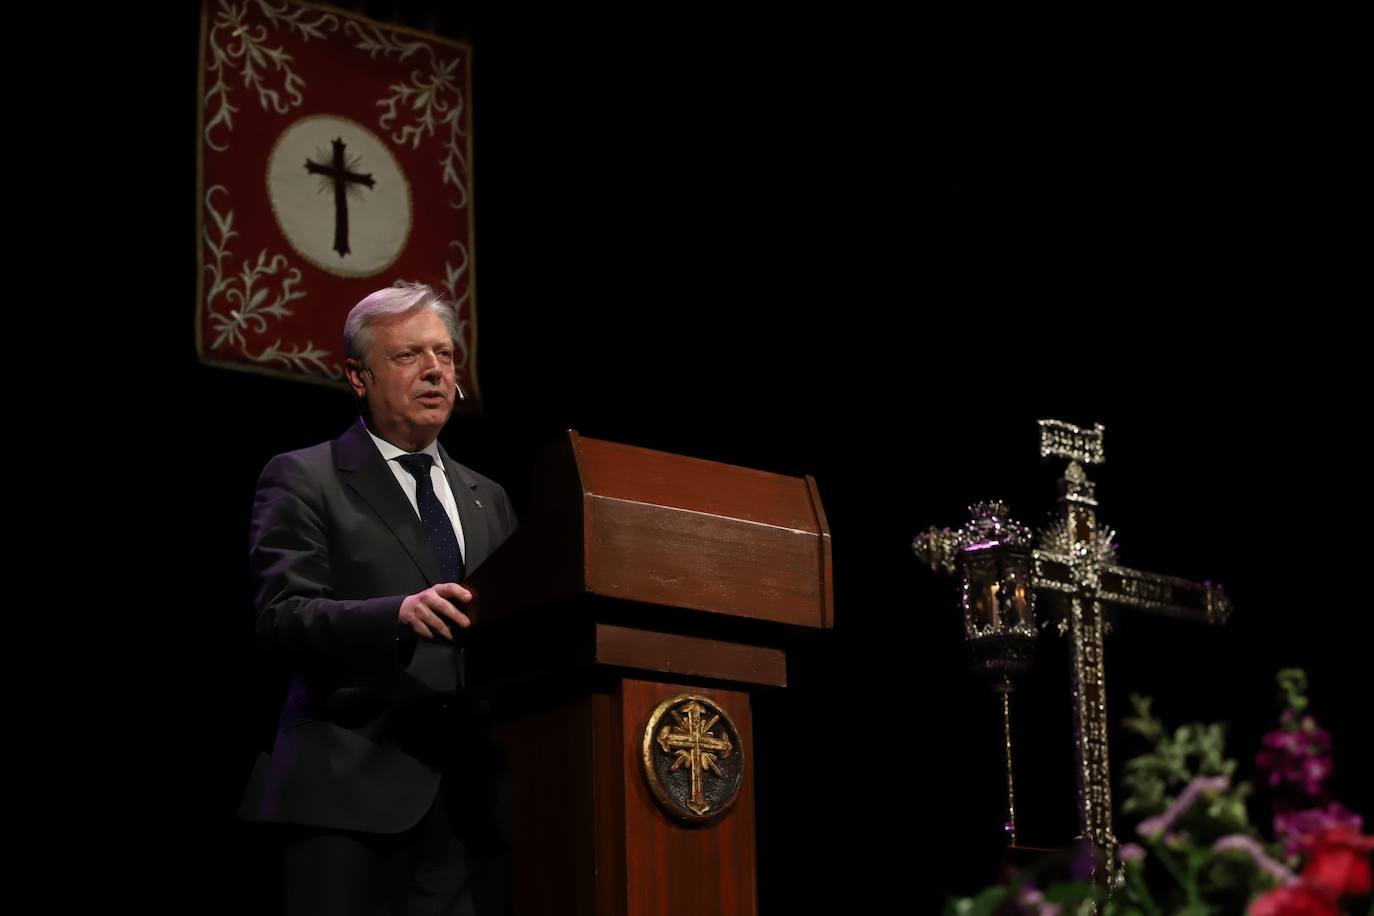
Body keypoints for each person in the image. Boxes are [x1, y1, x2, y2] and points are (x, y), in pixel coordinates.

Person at [239, 282, 517, 915]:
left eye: (445, 355)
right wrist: (394, 614)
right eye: (409, 356)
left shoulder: (489, 497)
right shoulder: (305, 477)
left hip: (471, 805)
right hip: (347, 796)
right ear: (358, 377)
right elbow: (282, 618)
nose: (435, 371)